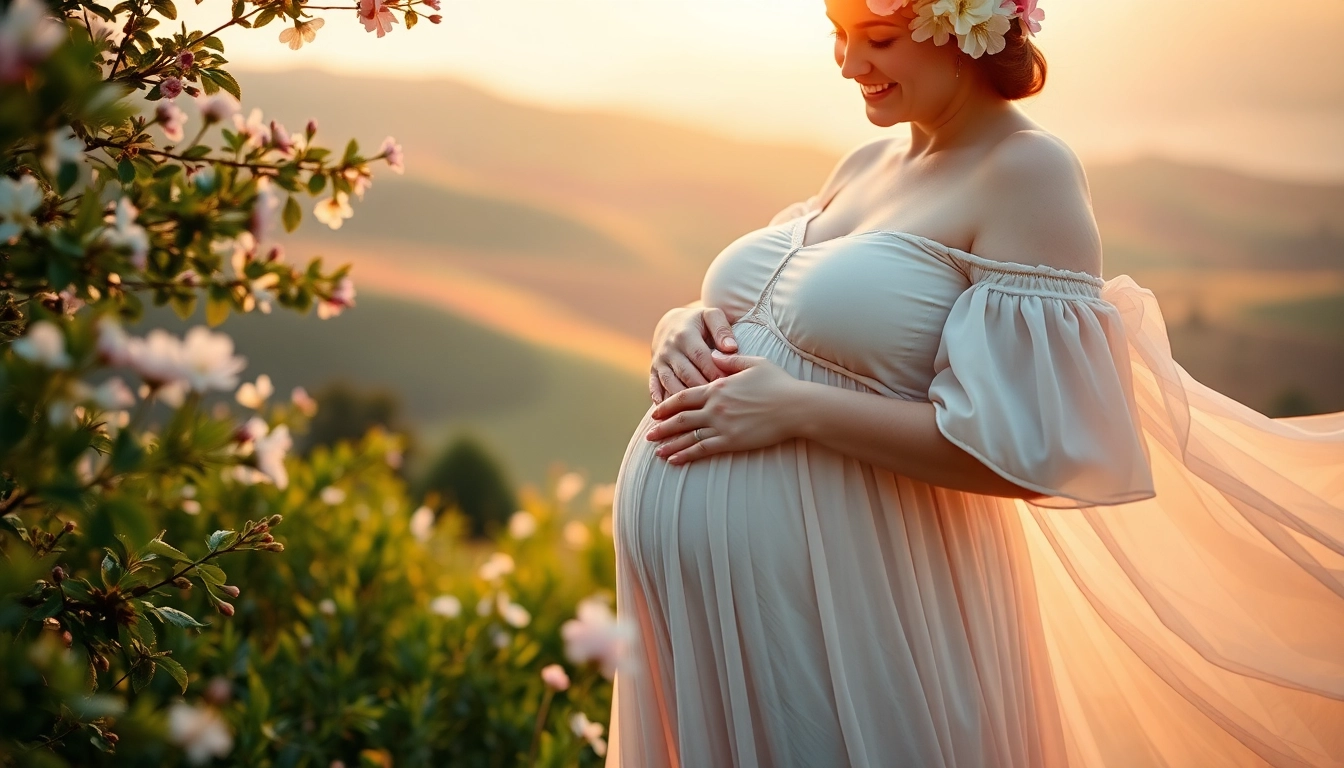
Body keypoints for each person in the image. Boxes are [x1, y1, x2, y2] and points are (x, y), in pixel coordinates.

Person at [605, 0, 1344, 765]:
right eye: (839, 37)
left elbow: (1030, 453)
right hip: (710, 623)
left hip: (864, 606)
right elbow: (773, 308)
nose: (849, 65)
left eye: (879, 39)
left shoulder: (1029, 172)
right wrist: (684, 318)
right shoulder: (865, 163)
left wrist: (797, 411)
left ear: (962, 30)